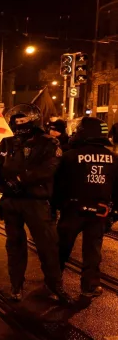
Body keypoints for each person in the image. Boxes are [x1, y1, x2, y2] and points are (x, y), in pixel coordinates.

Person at [0, 104, 70, 303]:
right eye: (16, 121)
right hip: (11, 202)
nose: (19, 124)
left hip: (37, 202)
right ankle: (16, 286)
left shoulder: (49, 143)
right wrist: (5, 186)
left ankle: (55, 286)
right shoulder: (6, 143)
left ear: (33, 120)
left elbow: (49, 169)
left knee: (47, 246)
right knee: (15, 246)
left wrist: (20, 180)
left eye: (23, 121)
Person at [54, 117, 118, 298]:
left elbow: (58, 184)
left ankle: (54, 279)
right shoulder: (113, 159)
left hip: (72, 209)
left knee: (62, 248)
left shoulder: (70, 157)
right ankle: (90, 285)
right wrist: (114, 213)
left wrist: (56, 205)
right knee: (93, 250)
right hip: (99, 211)